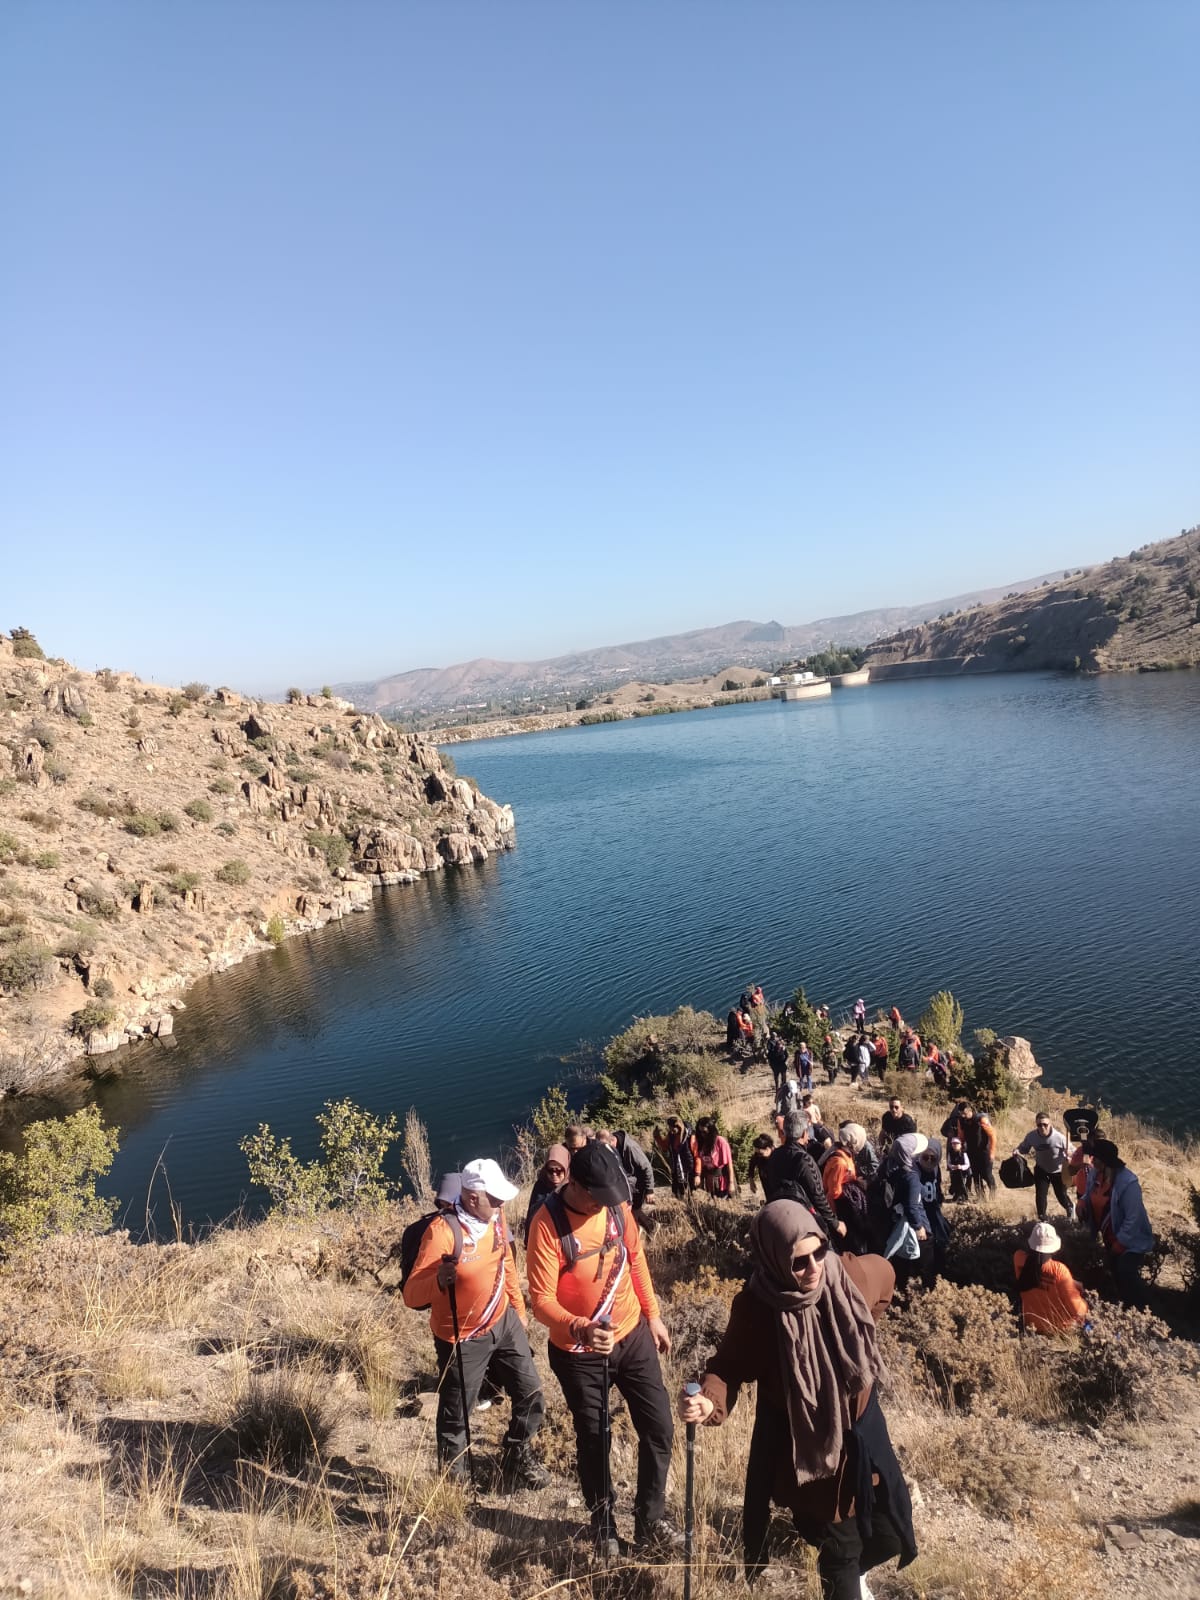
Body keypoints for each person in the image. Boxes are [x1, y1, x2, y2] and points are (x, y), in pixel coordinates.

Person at [677, 1202, 916, 1597]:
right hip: (810, 1442)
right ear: (773, 1259)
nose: (813, 1268)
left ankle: (853, 1568)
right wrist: (708, 1401)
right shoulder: (757, 1308)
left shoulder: (850, 1275)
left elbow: (887, 1278)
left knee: (888, 1532)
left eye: (818, 1252)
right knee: (840, 1547)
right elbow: (728, 1368)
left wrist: (862, 1327)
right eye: (798, 1262)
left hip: (864, 1434)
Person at [527, 1141, 680, 1557]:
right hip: (579, 1354)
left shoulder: (615, 1205)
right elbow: (540, 1300)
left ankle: (651, 1521)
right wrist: (580, 1328)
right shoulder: (547, 1224)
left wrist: (653, 1315)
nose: (607, 1203)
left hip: (631, 1336)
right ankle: (603, 1525)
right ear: (576, 1184)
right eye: (598, 1196)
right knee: (594, 1440)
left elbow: (636, 1259)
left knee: (660, 1428)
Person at [403, 1157, 548, 1488]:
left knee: (531, 1394)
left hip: (503, 1322)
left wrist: (518, 1312)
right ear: (471, 1197)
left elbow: (505, 1263)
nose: (500, 1205)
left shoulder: (494, 1216)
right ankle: (455, 1486)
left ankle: (516, 1455)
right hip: (461, 1337)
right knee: (458, 1416)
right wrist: (438, 1280)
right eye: (494, 1199)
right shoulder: (442, 1234)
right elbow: (411, 1296)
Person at [1079, 1139, 1154, 1308]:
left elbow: (1133, 1218)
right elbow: (1090, 1194)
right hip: (1110, 1238)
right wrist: (1082, 1202)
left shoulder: (1128, 1183)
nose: (1092, 1160)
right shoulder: (1094, 1174)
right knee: (1115, 1274)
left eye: (1095, 1157)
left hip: (1131, 1241)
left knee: (1125, 1272)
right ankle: (1126, 1308)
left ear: (1104, 1160)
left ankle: (1144, 1311)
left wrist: (1121, 1243)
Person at [763, 1113, 845, 1241]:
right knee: (827, 1255)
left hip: (779, 1214)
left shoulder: (775, 1155)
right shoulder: (804, 1159)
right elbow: (818, 1196)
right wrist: (835, 1223)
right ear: (803, 1133)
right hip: (803, 1220)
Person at [1013, 1223, 1089, 1334]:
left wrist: (1071, 1283)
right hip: (1060, 1329)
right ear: (1054, 1248)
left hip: (1031, 1325)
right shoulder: (1059, 1271)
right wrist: (1086, 1305)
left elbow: (1038, 1272)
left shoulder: (1018, 1258)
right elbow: (1078, 1310)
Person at [822, 1123, 872, 1254]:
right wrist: (835, 1220)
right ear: (853, 1141)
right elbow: (833, 1193)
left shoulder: (846, 1155)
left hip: (848, 1205)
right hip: (843, 1209)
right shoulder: (839, 1162)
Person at [1014, 1113, 1073, 1223]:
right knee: (1040, 1196)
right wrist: (1017, 1151)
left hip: (1058, 1171)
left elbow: (1073, 1152)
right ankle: (1042, 1219)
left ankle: (1070, 1208)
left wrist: (1069, 1153)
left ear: (1050, 1124)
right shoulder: (1032, 1136)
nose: (1042, 1127)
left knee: (1061, 1195)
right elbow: (1024, 1148)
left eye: (1045, 1124)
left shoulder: (1059, 1138)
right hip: (1041, 1169)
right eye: (1039, 1125)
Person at [596, 1128, 656, 1225]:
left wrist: (650, 1190)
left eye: (606, 1147)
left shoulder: (630, 1147)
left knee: (633, 1212)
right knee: (630, 1212)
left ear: (612, 1140)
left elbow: (646, 1167)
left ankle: (649, 1227)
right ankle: (648, 1228)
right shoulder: (611, 1146)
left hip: (638, 1184)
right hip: (625, 1184)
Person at [914, 1140, 949, 1287]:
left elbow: (938, 1186)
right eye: (925, 1157)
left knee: (942, 1241)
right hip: (922, 1214)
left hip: (933, 1211)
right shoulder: (915, 1172)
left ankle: (941, 1275)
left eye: (932, 1158)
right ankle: (925, 1281)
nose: (928, 1161)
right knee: (925, 1247)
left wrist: (939, 1201)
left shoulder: (935, 1169)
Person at [524, 1146, 569, 1245]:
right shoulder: (541, 1185)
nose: (554, 1174)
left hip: (568, 1242)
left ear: (566, 1168)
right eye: (550, 1170)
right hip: (544, 1240)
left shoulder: (572, 1187)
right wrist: (528, 1241)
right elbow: (531, 1214)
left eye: (559, 1170)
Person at [693, 1117, 736, 1197]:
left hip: (722, 1181)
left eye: (704, 1132)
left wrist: (731, 1183)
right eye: (700, 1132)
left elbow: (729, 1164)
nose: (702, 1134)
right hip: (709, 1181)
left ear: (711, 1130)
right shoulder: (701, 1143)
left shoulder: (720, 1141)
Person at [653, 1115, 693, 1199]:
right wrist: (657, 1137)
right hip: (676, 1167)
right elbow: (665, 1146)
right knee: (677, 1190)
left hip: (689, 1168)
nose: (671, 1131)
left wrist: (697, 1173)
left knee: (690, 1190)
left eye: (673, 1128)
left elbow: (696, 1154)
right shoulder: (671, 1135)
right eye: (670, 1128)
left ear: (679, 1126)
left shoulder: (690, 1136)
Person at [748, 1133, 776, 1197]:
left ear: (768, 1148)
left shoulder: (778, 1156)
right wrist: (751, 1180)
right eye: (756, 1153)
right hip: (766, 1184)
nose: (758, 1155)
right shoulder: (758, 1156)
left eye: (760, 1153)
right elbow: (751, 1165)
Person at [946, 1138, 971, 1202]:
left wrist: (961, 1167)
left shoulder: (964, 1153)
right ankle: (961, 1196)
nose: (955, 1145)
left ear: (960, 1145)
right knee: (956, 1183)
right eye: (953, 1143)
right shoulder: (950, 1153)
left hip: (963, 1172)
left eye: (957, 1143)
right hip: (954, 1171)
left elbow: (967, 1164)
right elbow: (949, 1163)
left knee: (961, 1181)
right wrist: (953, 1166)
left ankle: (960, 1196)